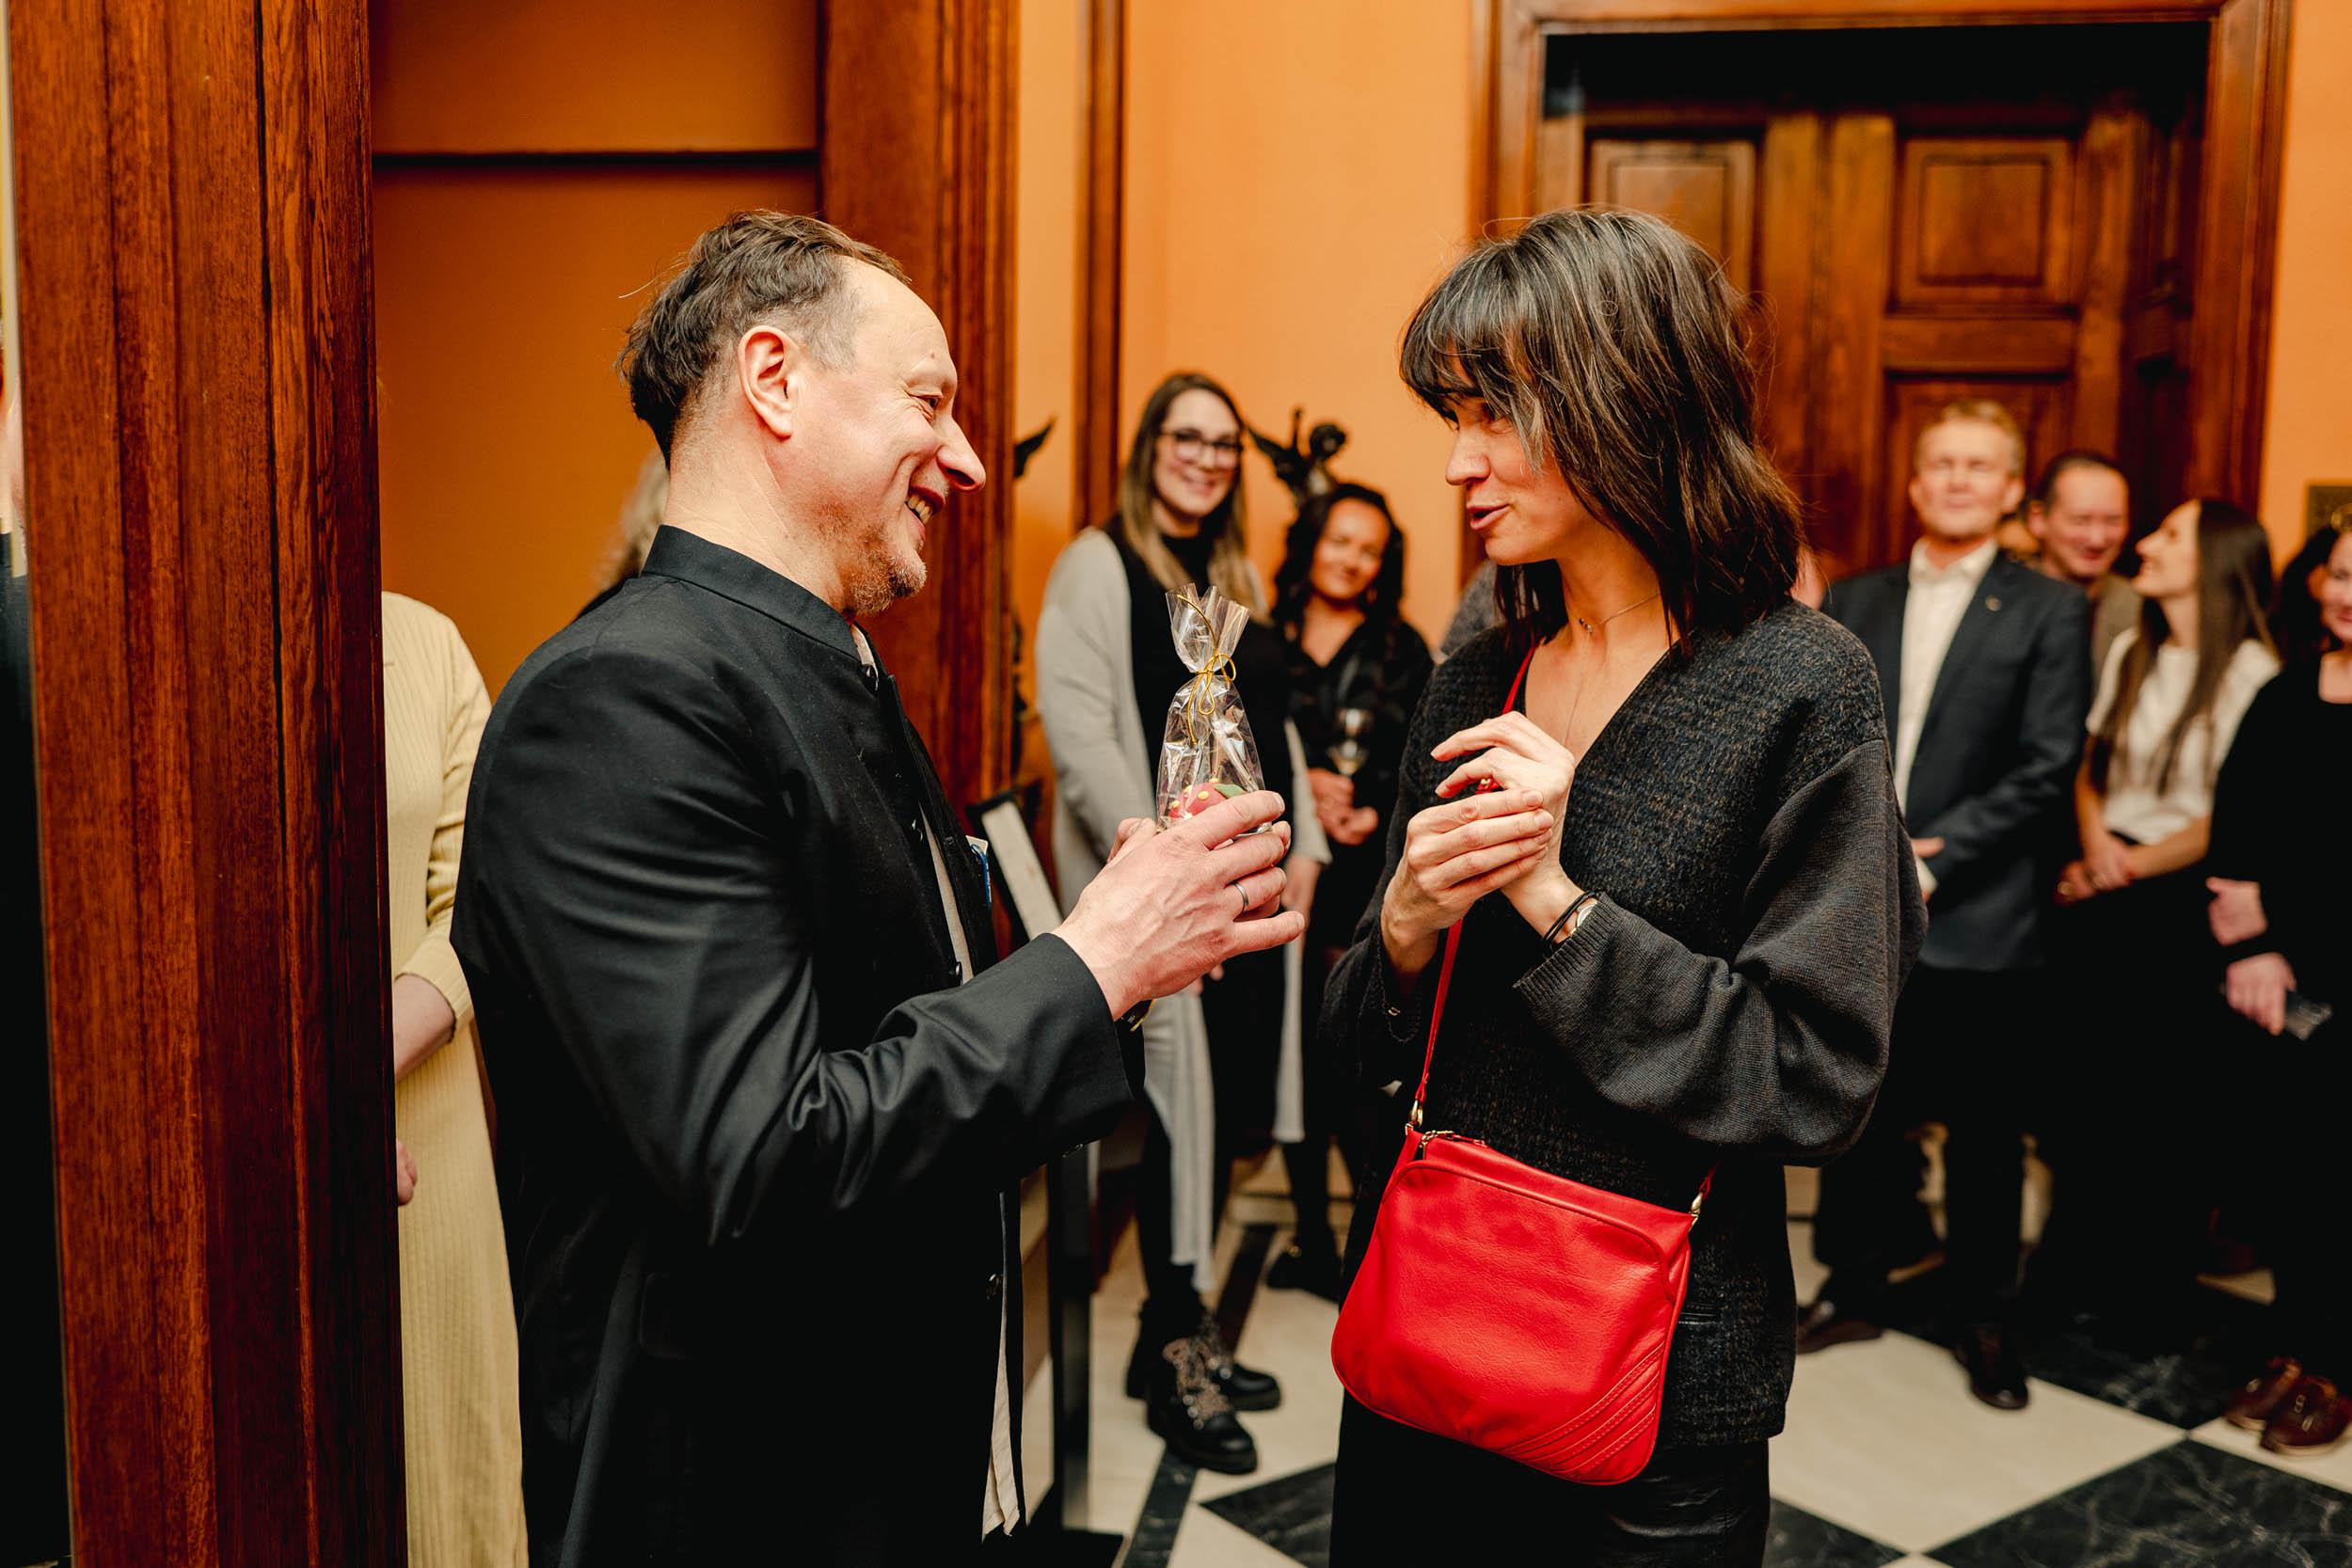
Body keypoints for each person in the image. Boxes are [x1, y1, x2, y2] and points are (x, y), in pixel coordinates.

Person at [453, 212, 1307, 1565]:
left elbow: (908, 1033)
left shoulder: (823, 664)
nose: (966, 458)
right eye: (929, 401)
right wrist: (1092, 961)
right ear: (774, 378)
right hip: (743, 1496)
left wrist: (1134, 956)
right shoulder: (625, 697)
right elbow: (765, 1154)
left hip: (881, 1459)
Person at [1324, 208, 1921, 1563]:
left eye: (1491, 414)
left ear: (1624, 398)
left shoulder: (1800, 686)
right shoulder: (1475, 675)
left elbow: (1815, 1075)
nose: (1459, 461)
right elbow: (1361, 1049)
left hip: (1650, 1399)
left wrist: (1555, 901)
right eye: (1452, 417)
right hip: (1427, 1343)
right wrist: (1403, 923)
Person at [1033, 370, 1327, 1474]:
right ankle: (1173, 1351)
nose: (1204, 457)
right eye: (1184, 436)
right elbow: (1081, 737)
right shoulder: (1098, 562)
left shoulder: (1227, 575)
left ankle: (1180, 1327)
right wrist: (1167, 885)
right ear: (1148, 445)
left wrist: (1300, 846)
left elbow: (1270, 723)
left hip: (1240, 894)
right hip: (1160, 906)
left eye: (1221, 443)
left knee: (1220, 1114)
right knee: (1172, 1125)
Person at [1798, 402, 2090, 1410]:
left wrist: (1937, 856)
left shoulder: (2050, 608)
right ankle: (1853, 1285)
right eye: (1943, 463)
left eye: (1981, 465)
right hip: (1859, 900)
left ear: (2011, 490)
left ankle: (1985, 1317)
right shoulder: (1857, 596)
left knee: (1984, 1130)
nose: (1960, 479)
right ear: (1916, 483)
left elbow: (2047, 763)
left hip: (1983, 913)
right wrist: (1864, 849)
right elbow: (1824, 737)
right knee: (1859, 1113)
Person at [2041, 497, 2279, 1333]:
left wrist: (2126, 867)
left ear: (2213, 559)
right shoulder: (2133, 649)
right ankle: (2073, 1272)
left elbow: (2232, 812)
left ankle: (2147, 1294)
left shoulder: (2252, 671)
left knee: (2165, 1107)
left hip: (2179, 901)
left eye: (2169, 535)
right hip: (2106, 881)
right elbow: (2090, 764)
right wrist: (2097, 844)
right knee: (2086, 1094)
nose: (2146, 543)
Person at [380, 591, 529, 1565]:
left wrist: (349, 1078)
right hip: (223, 1140)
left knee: (446, 1493)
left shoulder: (426, 646)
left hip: (424, 1141)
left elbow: (480, 899)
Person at [2208, 516, 2352, 1456]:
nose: (2349, 594)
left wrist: (2279, 918)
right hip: (2287, 986)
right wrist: (2253, 945)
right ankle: (2296, 1345)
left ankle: (2337, 1370)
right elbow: (2238, 826)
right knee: (2297, 1177)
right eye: (2342, 573)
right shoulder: (2285, 691)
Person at [1270, 482, 1433, 1297]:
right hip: (1276, 871)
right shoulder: (1262, 639)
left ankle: (1375, 1251)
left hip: (1364, 881)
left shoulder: (1404, 648)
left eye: (1369, 549)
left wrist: (1369, 803)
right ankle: (1311, 1234)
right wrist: (1300, 793)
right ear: (1311, 543)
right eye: (1339, 541)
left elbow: (1425, 758)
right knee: (1290, 1059)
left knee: (1349, 1061)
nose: (1351, 560)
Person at [2020, 450, 2140, 671]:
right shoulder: (2001, 601)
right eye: (2080, 520)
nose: (2097, 539)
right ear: (2038, 518)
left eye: (2113, 521)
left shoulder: (2142, 612)